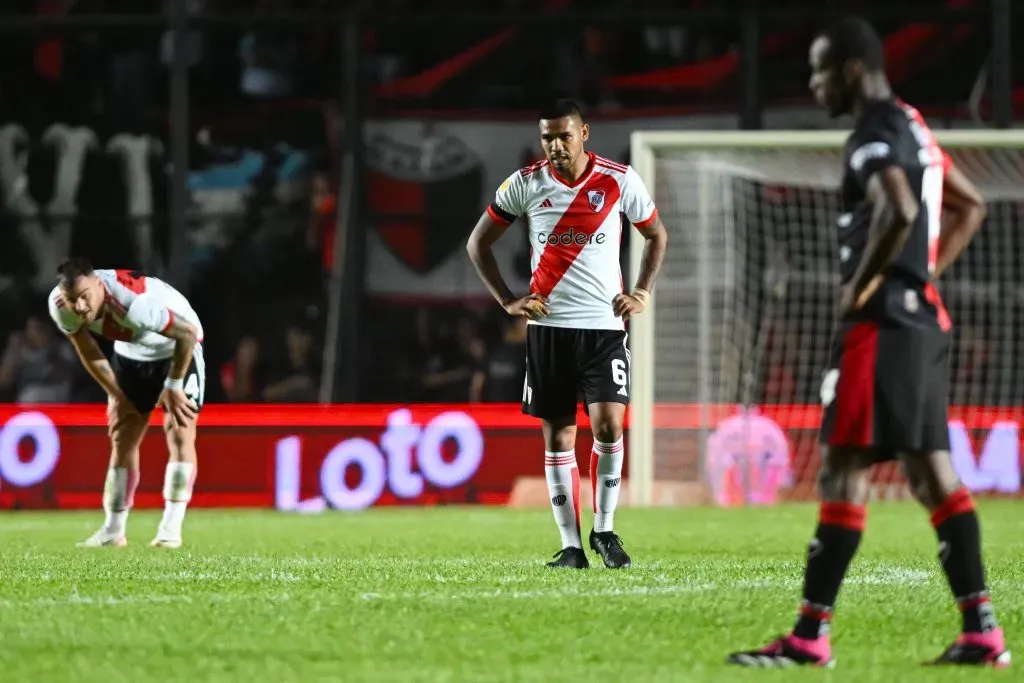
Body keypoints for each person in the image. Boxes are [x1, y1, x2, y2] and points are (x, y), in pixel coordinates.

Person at [727, 17, 1008, 668]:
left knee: (843, 465)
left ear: (852, 69)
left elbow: (901, 209)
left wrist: (860, 285)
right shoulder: (912, 122)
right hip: (922, 317)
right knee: (928, 472)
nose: (813, 84)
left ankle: (808, 635)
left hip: (881, 323)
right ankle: (982, 630)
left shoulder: (872, 133)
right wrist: (923, 274)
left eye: (820, 70)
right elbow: (970, 206)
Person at [466, 99, 668, 569]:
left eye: (564, 135)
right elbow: (479, 243)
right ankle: (571, 547)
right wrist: (507, 300)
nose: (556, 145)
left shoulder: (618, 179)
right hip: (549, 328)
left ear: (584, 133)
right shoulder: (526, 183)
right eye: (547, 137)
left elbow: (656, 233)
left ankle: (605, 531)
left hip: (603, 327)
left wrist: (641, 290)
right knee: (558, 437)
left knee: (609, 425)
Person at [47, 258, 206, 550]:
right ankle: (113, 530)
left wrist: (172, 385)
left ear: (97, 284)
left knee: (180, 431)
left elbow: (187, 333)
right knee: (122, 436)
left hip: (176, 347)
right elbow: (89, 350)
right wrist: (115, 393)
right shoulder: (61, 306)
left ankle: (170, 528)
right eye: (73, 300)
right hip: (133, 351)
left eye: (85, 297)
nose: (80, 307)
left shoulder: (135, 303)